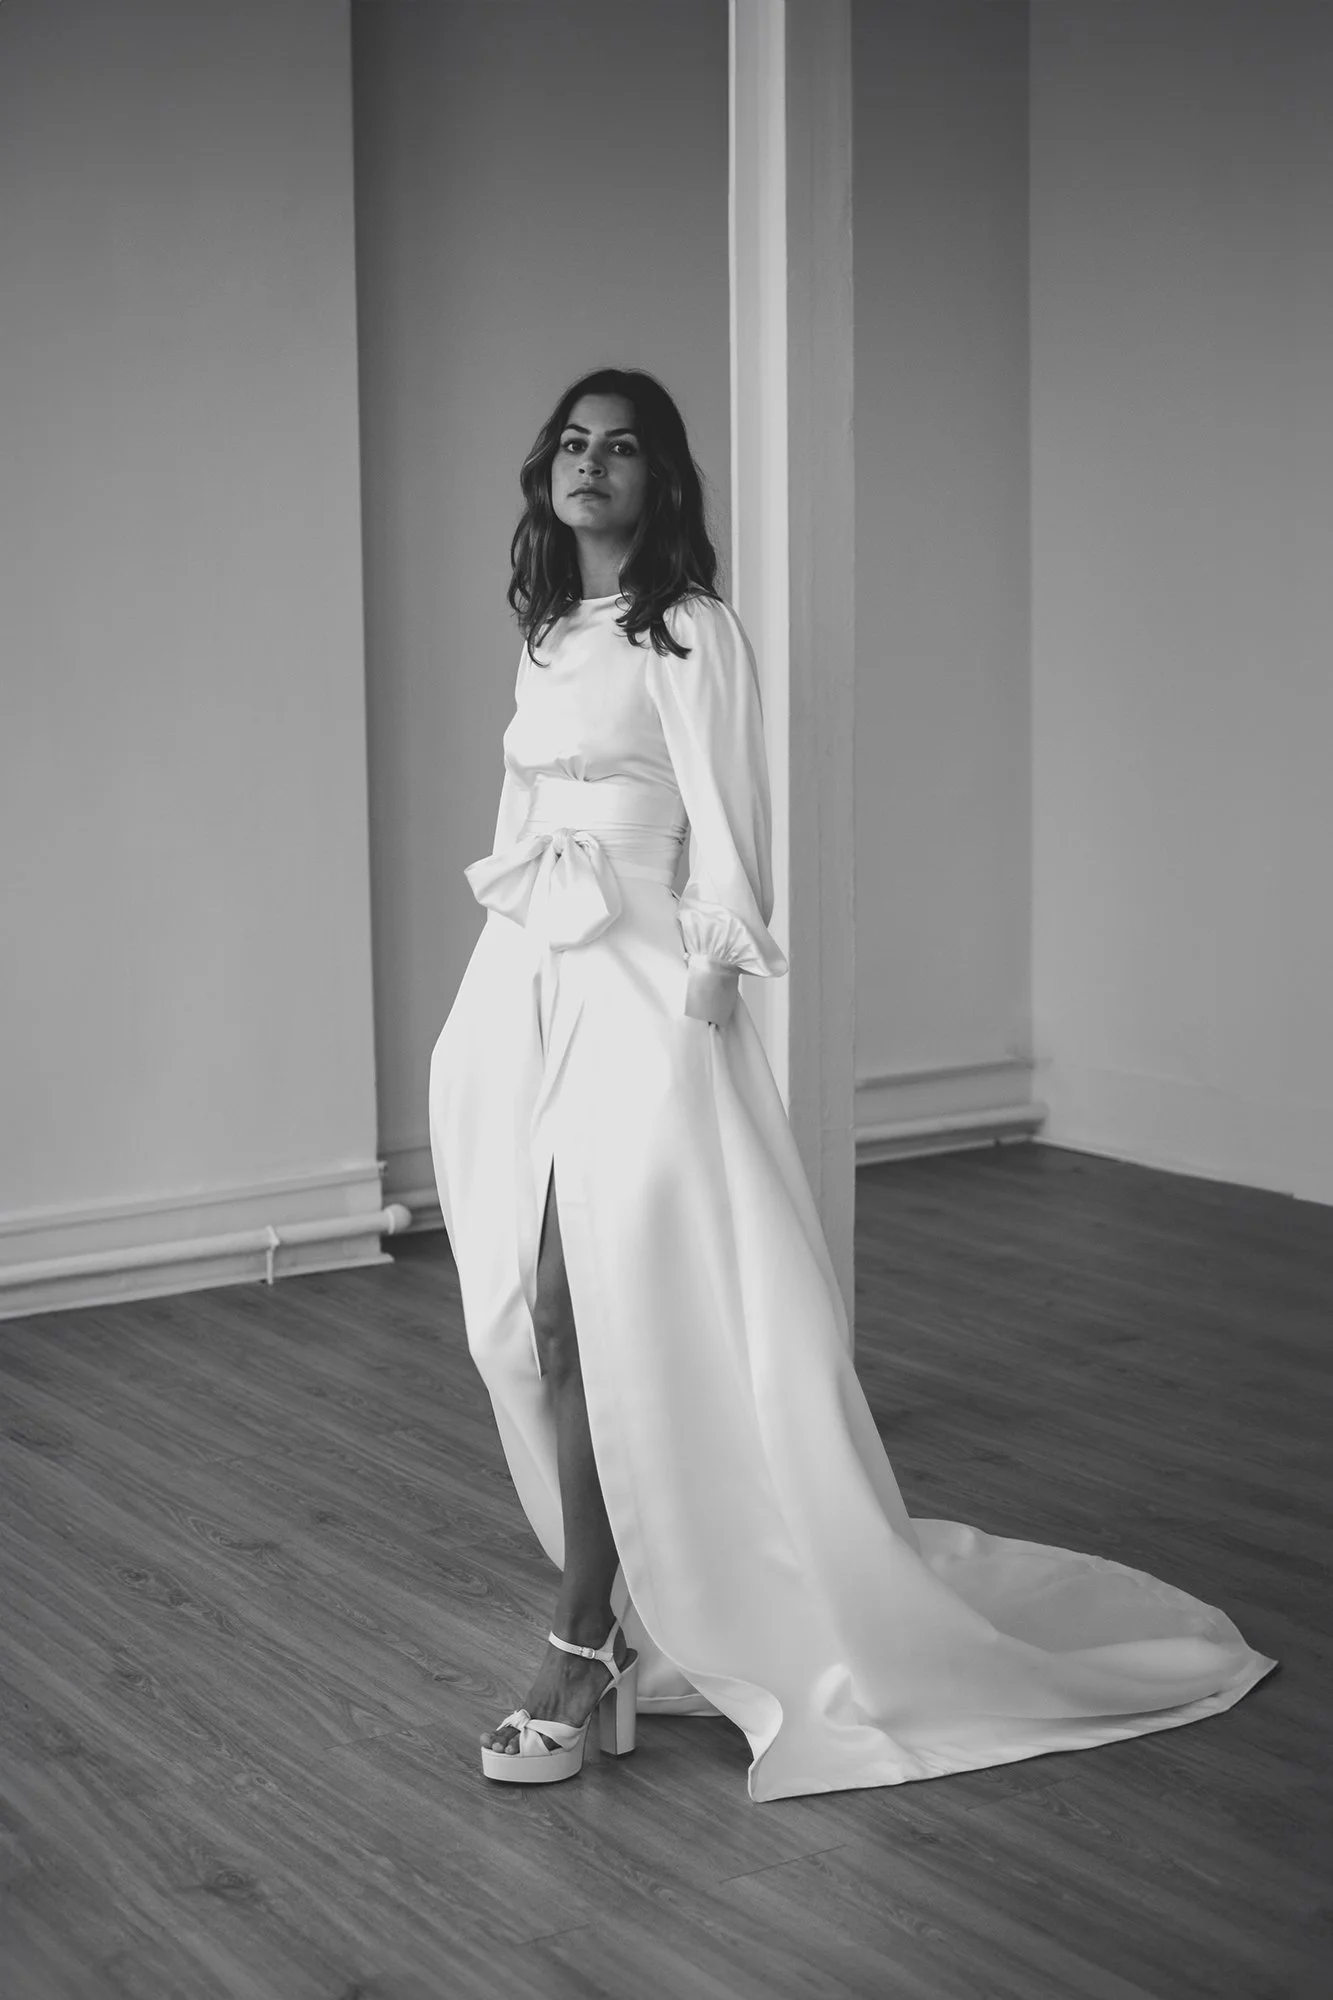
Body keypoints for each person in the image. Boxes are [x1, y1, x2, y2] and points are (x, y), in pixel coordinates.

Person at [428, 366, 1277, 1802]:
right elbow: (520, 818)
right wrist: (493, 1000)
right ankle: (623, 1599)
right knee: (531, 1316)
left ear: (663, 481)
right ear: (546, 476)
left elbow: (730, 841)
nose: (591, 466)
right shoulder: (551, 632)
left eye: (621, 449)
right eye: (572, 446)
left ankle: (582, 1646)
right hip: (524, 981)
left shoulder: (688, 632)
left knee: (593, 1297)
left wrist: (702, 1002)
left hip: (642, 995)